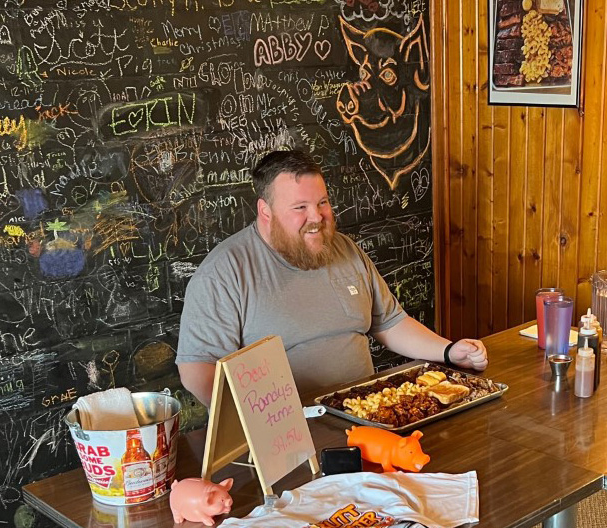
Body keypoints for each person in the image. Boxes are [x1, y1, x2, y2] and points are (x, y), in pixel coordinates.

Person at [176, 150, 488, 406]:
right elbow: (196, 370)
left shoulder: (343, 249)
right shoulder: (224, 273)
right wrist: (263, 427)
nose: (317, 217)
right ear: (265, 211)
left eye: (322, 202)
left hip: (368, 410)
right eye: (301, 207)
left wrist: (448, 351)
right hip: (288, 434)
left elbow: (389, 322)